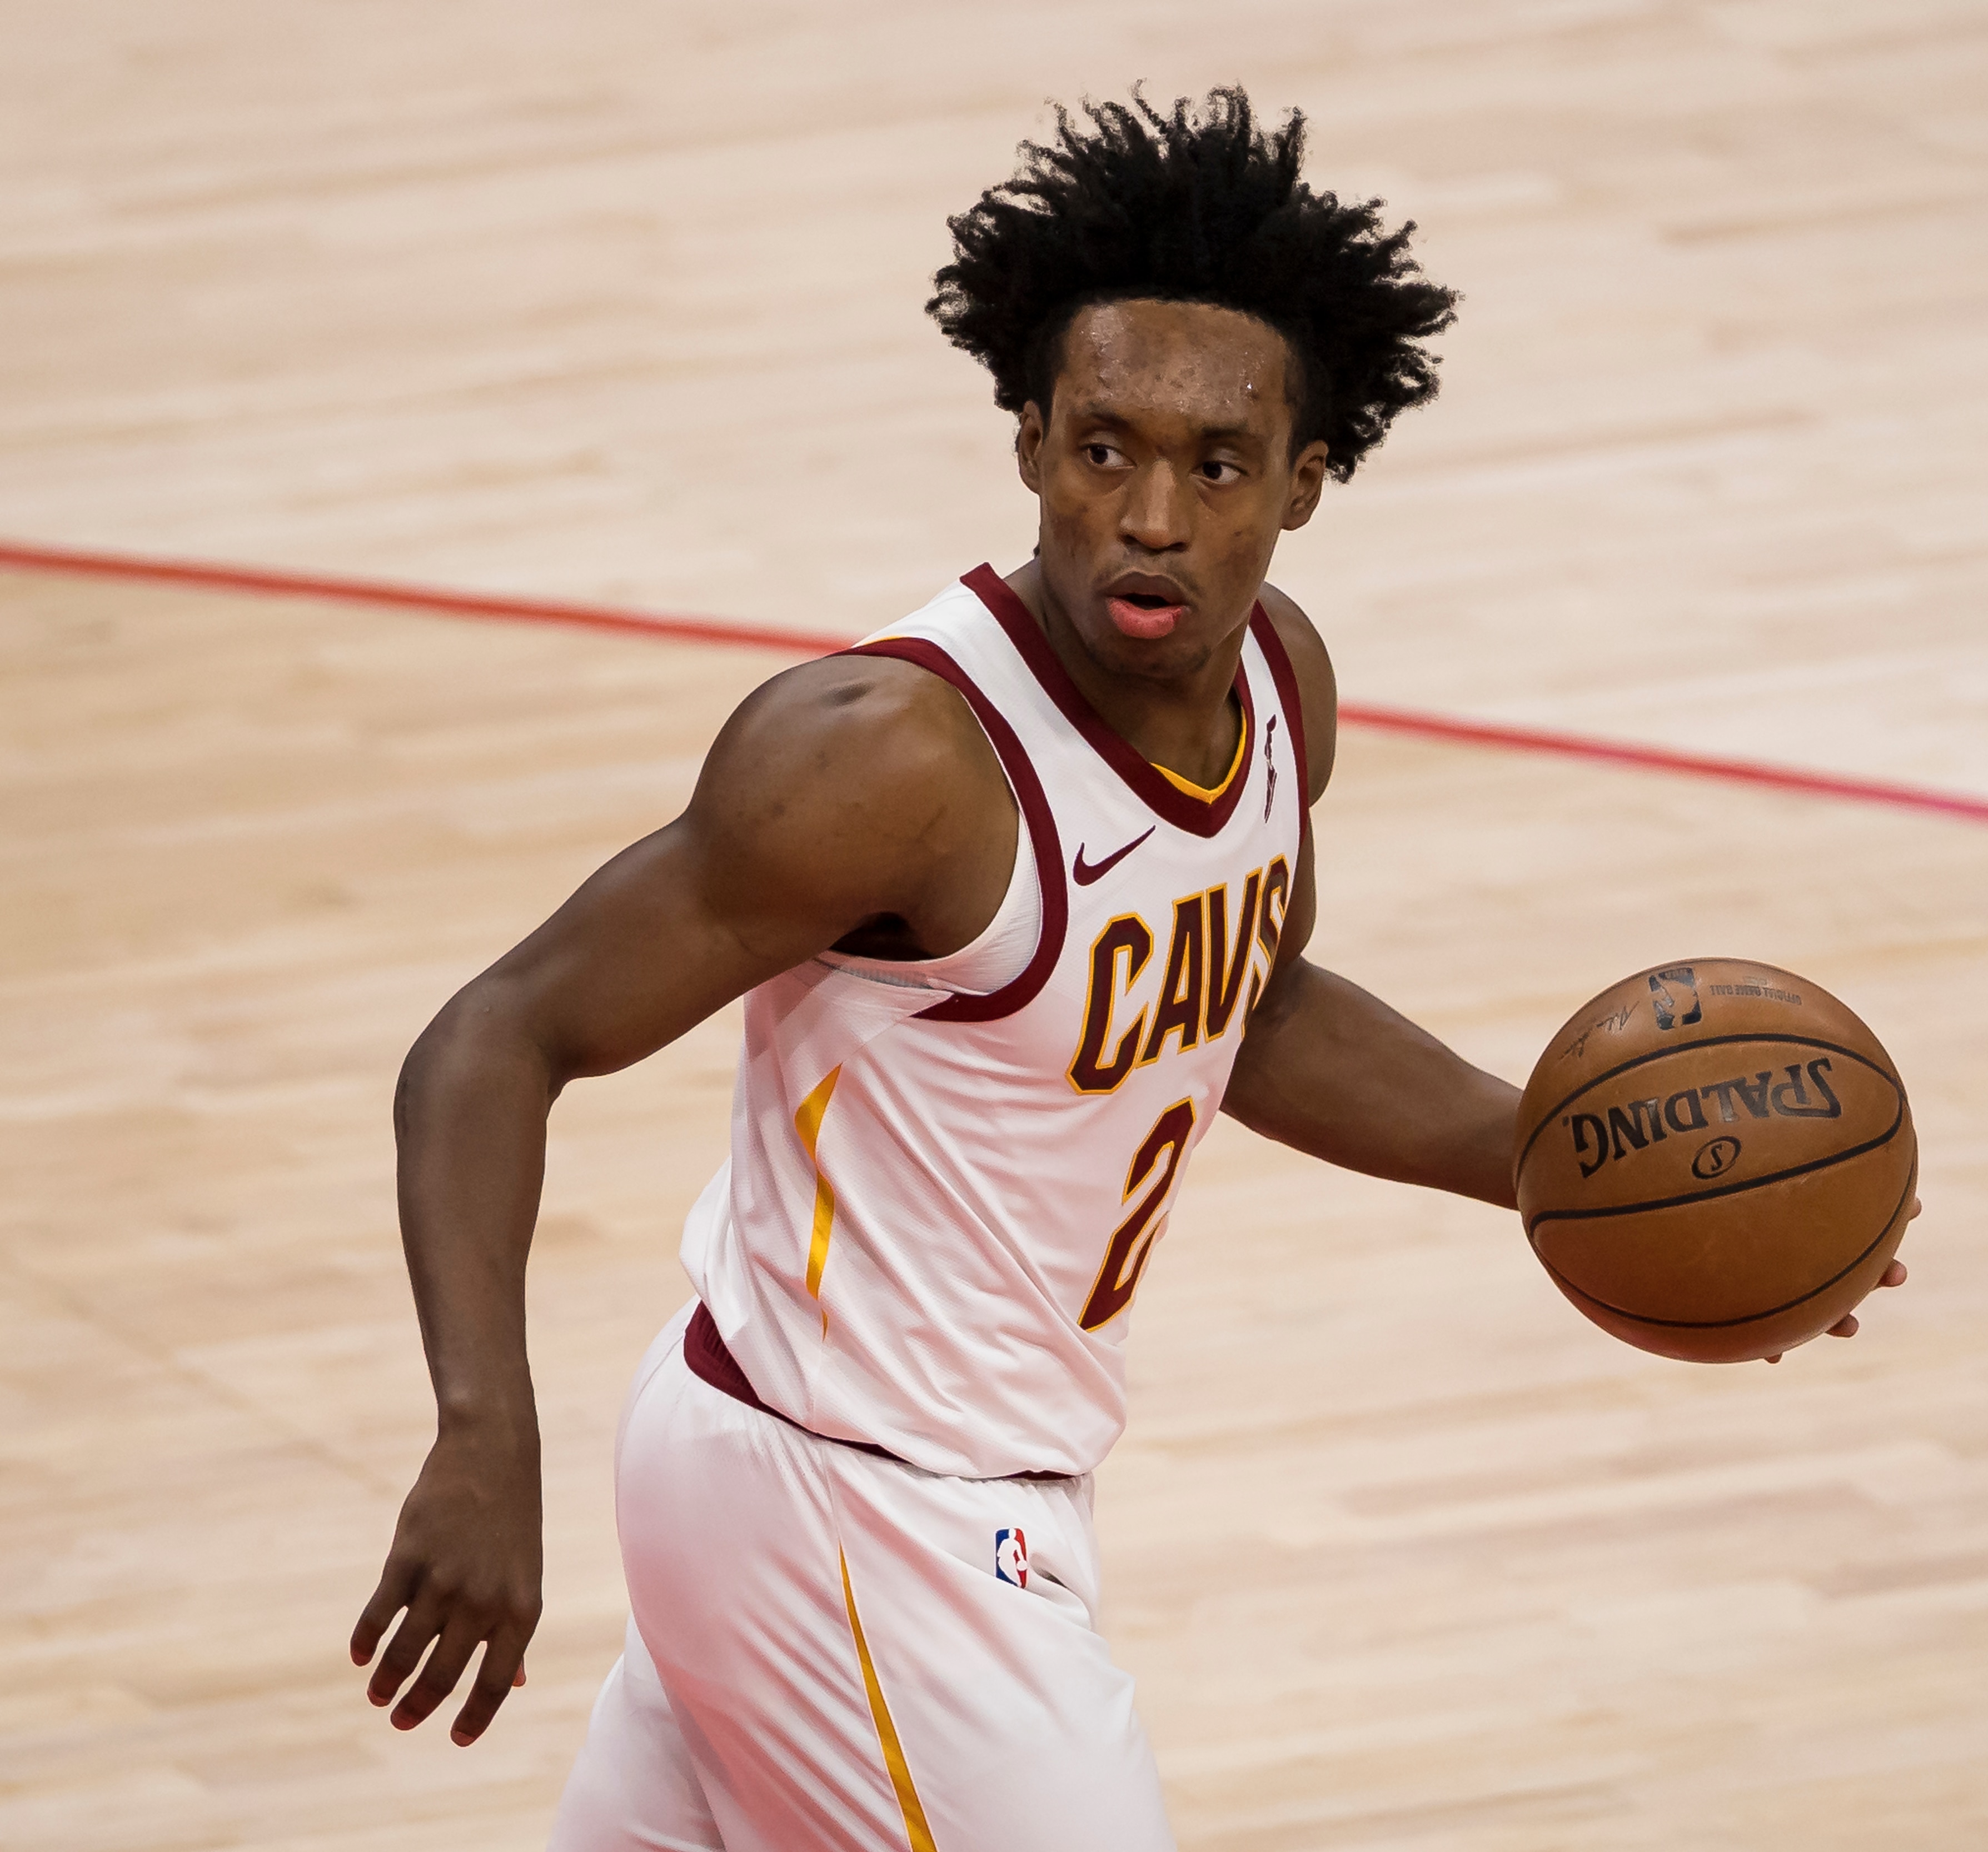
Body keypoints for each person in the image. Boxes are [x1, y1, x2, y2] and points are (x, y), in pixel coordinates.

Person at [350, 87, 1907, 1850]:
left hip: (884, 1479)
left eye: (1216, 465)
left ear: (1307, 484)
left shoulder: (1276, 692)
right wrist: (485, 1431)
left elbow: (1244, 1012)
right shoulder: (889, 763)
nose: (1151, 515)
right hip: (857, 1505)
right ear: (1030, 444)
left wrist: (1626, 1182)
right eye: (1105, 448)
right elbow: (499, 1033)